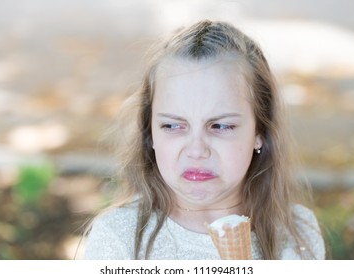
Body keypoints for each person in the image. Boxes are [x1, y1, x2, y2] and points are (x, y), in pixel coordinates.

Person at [84, 20, 325, 260]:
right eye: (173, 125)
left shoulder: (299, 235)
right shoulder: (118, 240)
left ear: (259, 132)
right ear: (151, 133)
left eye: (220, 126)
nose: (196, 150)